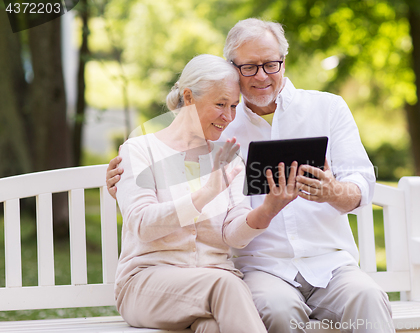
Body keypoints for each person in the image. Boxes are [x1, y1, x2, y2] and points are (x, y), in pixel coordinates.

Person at [108, 19, 395, 333]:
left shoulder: (327, 109)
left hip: (331, 264)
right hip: (260, 269)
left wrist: (332, 191)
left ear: (284, 62)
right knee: (276, 310)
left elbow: (362, 184)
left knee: (369, 298)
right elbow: (158, 178)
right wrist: (126, 183)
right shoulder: (217, 131)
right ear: (234, 69)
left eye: (271, 64)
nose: (262, 76)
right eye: (249, 67)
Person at [113, 54, 300, 333]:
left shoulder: (228, 156)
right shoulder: (140, 150)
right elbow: (142, 225)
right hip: (147, 284)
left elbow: (231, 234)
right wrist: (208, 190)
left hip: (212, 291)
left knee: (212, 328)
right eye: (220, 104)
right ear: (188, 97)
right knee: (226, 284)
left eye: (234, 106)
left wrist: (268, 210)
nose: (228, 116)